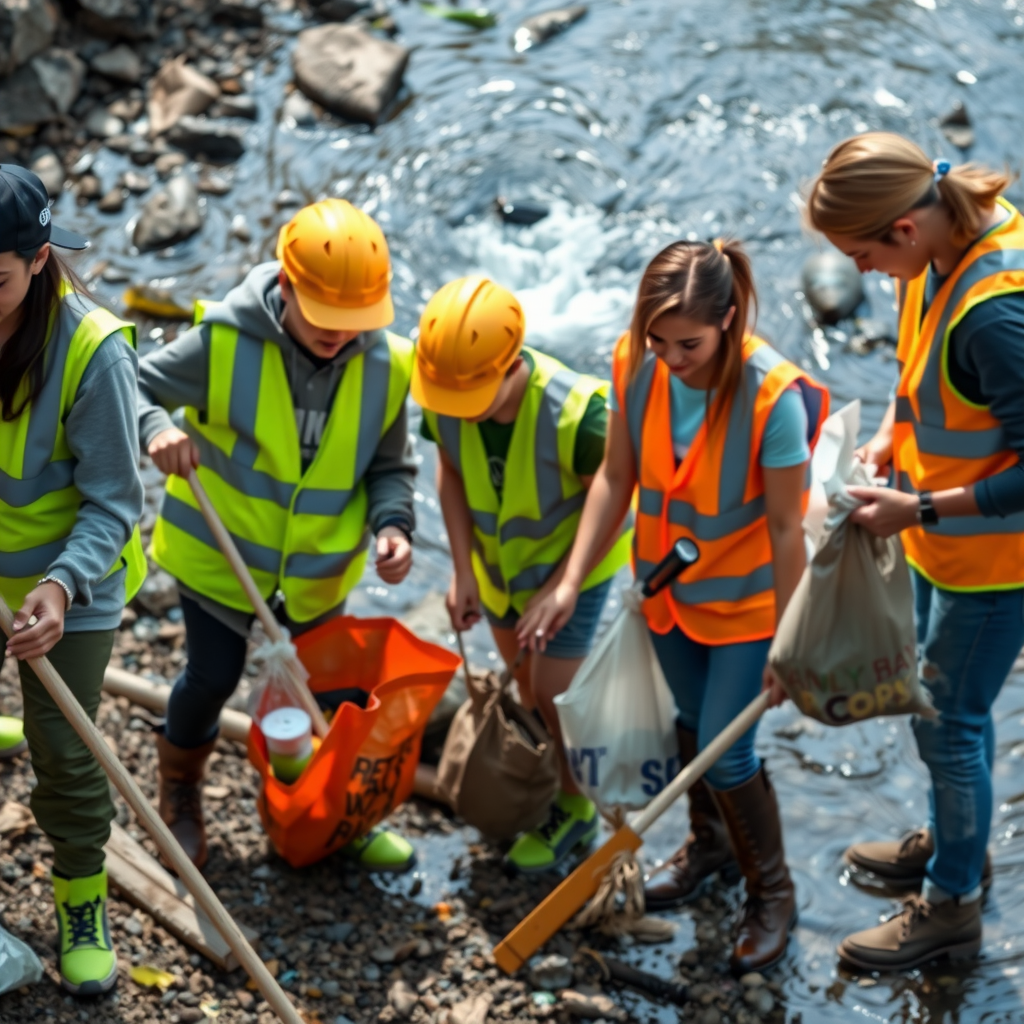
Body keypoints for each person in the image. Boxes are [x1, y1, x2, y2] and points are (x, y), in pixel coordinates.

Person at [521, 240, 828, 973]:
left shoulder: (771, 399)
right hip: (669, 600)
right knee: (692, 729)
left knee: (729, 751)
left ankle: (773, 894)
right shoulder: (637, 365)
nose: (670, 357)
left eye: (687, 343)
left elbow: (789, 532)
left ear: (729, 319)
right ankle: (711, 851)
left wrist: (793, 643)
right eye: (657, 340)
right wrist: (569, 581)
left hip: (750, 610)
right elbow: (615, 476)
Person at [138, 199, 418, 872]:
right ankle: (180, 787)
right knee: (212, 677)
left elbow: (389, 468)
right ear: (286, 289)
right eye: (325, 318)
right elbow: (125, 384)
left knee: (327, 696)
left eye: (355, 322)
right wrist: (156, 428)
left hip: (318, 577)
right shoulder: (223, 342)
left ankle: (326, 809)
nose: (339, 335)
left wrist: (394, 525)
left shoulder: (387, 367)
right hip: (219, 559)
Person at [805, 132, 1024, 971]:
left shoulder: (999, 313)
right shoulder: (937, 250)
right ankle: (954, 841)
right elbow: (918, 377)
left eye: (860, 254)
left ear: (902, 228)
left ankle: (953, 904)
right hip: (941, 540)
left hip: (994, 563)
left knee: (951, 725)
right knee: (934, 711)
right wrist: (892, 444)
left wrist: (920, 505)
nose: (859, 272)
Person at [411, 276, 631, 872]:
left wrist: (565, 584)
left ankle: (578, 807)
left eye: (468, 399)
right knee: (526, 684)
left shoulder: (580, 416)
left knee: (556, 693)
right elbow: (450, 474)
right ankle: (552, 783)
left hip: (572, 567)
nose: (454, 411)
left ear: (511, 368)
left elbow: (612, 504)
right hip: (502, 568)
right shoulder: (449, 394)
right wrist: (463, 572)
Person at [0, 165, 146, 994]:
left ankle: (81, 898)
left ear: (41, 259)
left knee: (64, 750)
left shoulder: (94, 352)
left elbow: (113, 504)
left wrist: (57, 587)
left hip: (71, 584)